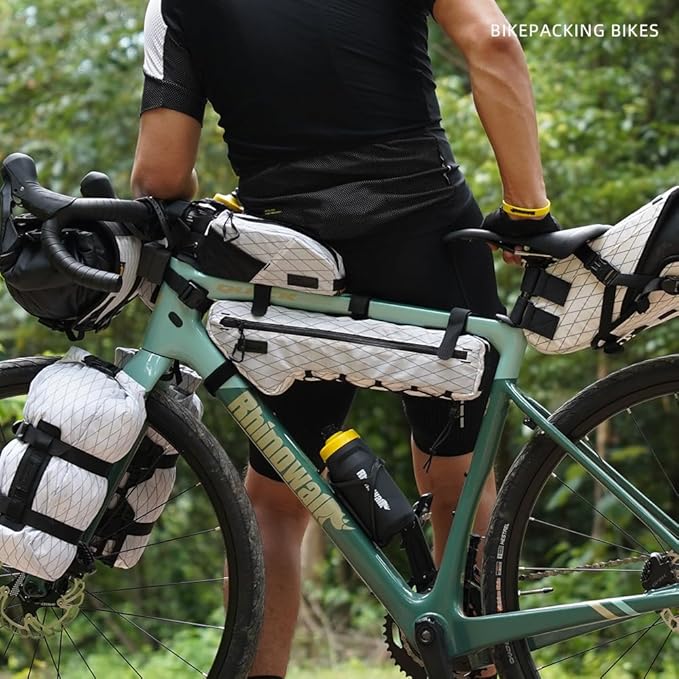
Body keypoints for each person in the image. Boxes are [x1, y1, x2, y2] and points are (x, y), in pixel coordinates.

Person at [131, 1, 556, 677]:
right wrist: (526, 210)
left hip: (289, 262)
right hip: (429, 240)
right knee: (456, 481)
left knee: (274, 502)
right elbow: (493, 43)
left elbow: (159, 177)